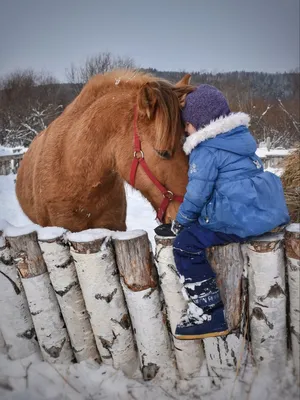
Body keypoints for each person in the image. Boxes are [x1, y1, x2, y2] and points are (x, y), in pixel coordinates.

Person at [155, 84, 290, 340]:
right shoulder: (240, 140)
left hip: (235, 219)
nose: (185, 129)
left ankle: (208, 312)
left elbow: (197, 194)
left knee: (185, 245)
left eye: (187, 124)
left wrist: (181, 222)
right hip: (262, 212)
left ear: (201, 123)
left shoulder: (205, 150)